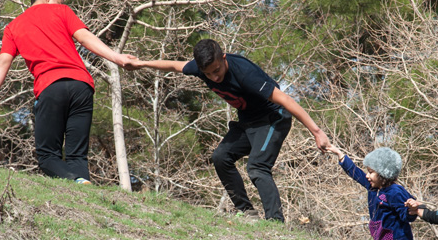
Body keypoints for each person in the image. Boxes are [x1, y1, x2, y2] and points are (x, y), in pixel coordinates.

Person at [125, 39, 331, 222]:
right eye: (208, 74)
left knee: (257, 167)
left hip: (273, 117)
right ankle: (247, 212)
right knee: (221, 156)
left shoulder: (244, 73)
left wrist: (316, 131)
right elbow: (173, 65)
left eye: (217, 71)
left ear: (223, 59)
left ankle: (275, 222)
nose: (214, 78)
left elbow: (285, 100)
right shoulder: (200, 67)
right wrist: (141, 63)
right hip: (248, 120)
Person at [0, 0, 136, 183]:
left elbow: (3, 61)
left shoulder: (13, 27)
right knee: (77, 156)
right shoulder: (62, 11)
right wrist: (117, 58)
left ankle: (78, 185)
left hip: (51, 86)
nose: (60, 5)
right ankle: (84, 192)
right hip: (82, 86)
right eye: (58, 1)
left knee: (47, 157)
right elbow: (84, 37)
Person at [329, 144, 417, 240]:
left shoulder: (395, 192)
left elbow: (407, 215)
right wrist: (340, 155)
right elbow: (355, 173)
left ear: (383, 174)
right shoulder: (373, 187)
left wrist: (411, 209)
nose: (367, 176)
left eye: (371, 172)